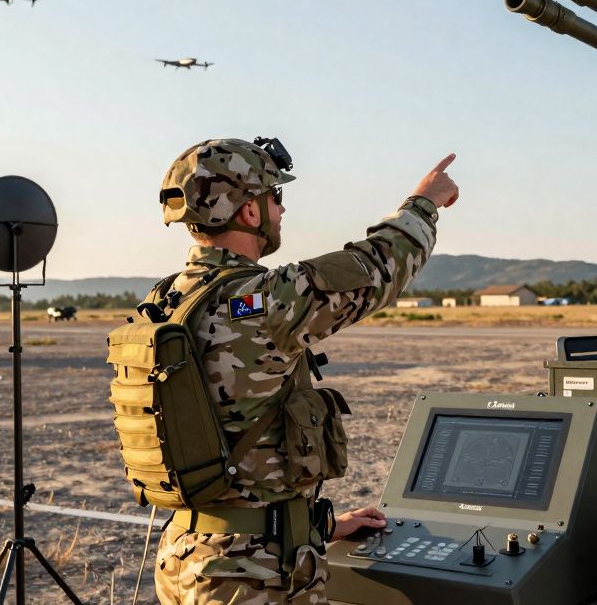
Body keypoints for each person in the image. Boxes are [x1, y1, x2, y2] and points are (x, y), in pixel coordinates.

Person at [151, 137, 458, 604]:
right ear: (249, 211)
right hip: (251, 574)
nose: (281, 210)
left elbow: (231, 451)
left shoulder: (164, 301)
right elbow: (377, 268)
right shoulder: (262, 300)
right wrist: (426, 201)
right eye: (275, 197)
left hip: (188, 555)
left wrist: (324, 525)